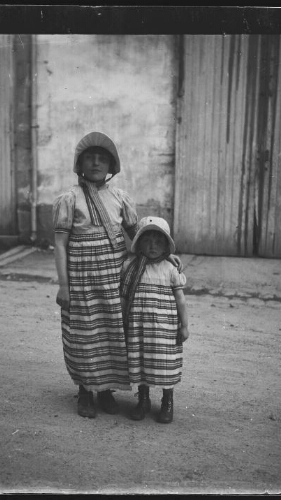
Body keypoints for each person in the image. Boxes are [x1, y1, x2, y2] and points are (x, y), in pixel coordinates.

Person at [53, 132, 182, 419]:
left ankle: (105, 390)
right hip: (81, 278)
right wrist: (64, 285)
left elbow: (139, 236)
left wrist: (164, 254)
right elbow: (60, 245)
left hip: (114, 278)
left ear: (112, 165)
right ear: (80, 163)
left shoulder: (121, 198)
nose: (96, 163)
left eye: (102, 158)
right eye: (90, 157)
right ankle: (86, 391)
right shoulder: (69, 200)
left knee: (112, 333)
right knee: (85, 333)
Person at [120, 216, 190, 424]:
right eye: (147, 240)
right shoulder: (131, 267)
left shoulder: (170, 270)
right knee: (142, 363)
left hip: (164, 330)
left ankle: (167, 400)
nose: (153, 246)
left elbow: (181, 300)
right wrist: (122, 322)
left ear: (167, 246)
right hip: (139, 328)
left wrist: (184, 326)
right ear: (138, 243)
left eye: (158, 241)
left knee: (164, 364)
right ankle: (143, 399)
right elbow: (124, 298)